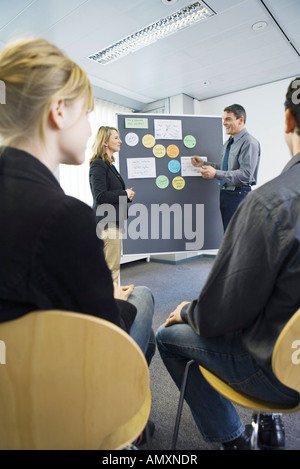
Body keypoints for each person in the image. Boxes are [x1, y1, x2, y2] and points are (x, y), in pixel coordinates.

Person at [156, 78, 300, 450]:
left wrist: (189, 310)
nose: (224, 125)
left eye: (227, 120)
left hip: (277, 373)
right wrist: (210, 165)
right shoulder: (234, 147)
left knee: (167, 337)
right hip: (293, 352)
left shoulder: (270, 204)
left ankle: (232, 439)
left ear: (287, 120)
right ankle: (268, 421)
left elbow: (219, 316)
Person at [0, 37, 155, 366]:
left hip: (10, 378)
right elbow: (105, 334)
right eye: (85, 114)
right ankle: (125, 412)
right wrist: (111, 298)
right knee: (142, 296)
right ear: (58, 111)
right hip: (59, 381)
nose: (88, 129)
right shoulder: (63, 217)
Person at [191, 104, 260, 231]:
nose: (224, 123)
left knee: (237, 238)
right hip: (226, 194)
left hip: (239, 195)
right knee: (229, 236)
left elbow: (246, 174)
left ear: (240, 120)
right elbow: (225, 168)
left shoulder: (249, 142)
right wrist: (203, 164)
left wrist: (216, 173)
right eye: (223, 119)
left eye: (228, 119)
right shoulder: (228, 143)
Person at [89, 126, 134, 284]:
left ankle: (110, 303)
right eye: (116, 137)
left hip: (113, 222)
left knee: (111, 268)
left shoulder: (109, 165)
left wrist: (126, 195)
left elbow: (110, 193)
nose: (120, 140)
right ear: (105, 142)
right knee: (111, 269)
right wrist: (124, 193)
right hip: (107, 224)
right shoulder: (98, 165)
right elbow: (100, 196)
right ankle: (110, 306)